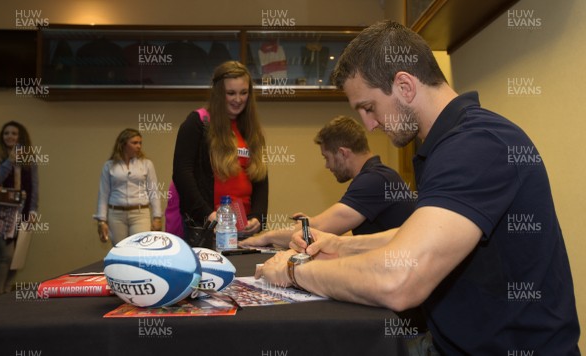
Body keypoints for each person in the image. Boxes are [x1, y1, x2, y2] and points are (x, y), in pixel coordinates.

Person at [256, 20, 580, 355]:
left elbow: (400, 280)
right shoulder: (448, 144)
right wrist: (340, 246)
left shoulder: (477, 144)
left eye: (368, 108)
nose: (368, 124)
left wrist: (296, 271)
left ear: (405, 86)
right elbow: (421, 235)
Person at [240, 115, 414, 249]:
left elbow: (317, 229)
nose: (327, 166)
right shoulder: (379, 176)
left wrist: (265, 237)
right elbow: (331, 229)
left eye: (327, 158)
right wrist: (313, 223)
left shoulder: (373, 180)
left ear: (342, 153)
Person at [172, 61, 268, 239]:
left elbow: (260, 178)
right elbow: (182, 174)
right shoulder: (197, 123)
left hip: (243, 228)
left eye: (244, 93)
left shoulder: (251, 129)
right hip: (208, 227)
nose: (238, 99)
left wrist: (258, 217)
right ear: (218, 93)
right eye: (230, 93)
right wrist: (207, 215)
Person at [0, 121, 38, 296]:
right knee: (5, 254)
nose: (9, 137)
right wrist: (9, 161)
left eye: (14, 134)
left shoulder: (28, 158)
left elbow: (33, 186)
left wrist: (33, 210)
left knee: (17, 257)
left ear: (21, 137)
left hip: (21, 212)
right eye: (6, 133)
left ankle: (6, 289)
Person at [94, 128, 162, 245]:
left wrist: (157, 217)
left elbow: (153, 191)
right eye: (134, 143)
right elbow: (103, 194)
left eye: (140, 143)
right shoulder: (109, 166)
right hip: (116, 214)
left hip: (140, 213)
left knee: (140, 248)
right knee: (120, 250)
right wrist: (101, 220)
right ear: (123, 144)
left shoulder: (146, 164)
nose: (139, 146)